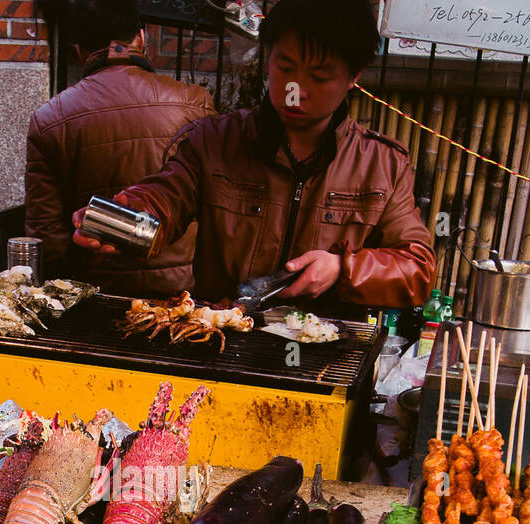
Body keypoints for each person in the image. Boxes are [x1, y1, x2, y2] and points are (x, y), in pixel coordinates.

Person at [73, 0, 436, 311]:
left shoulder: (383, 164)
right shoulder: (214, 140)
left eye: (320, 77)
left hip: (324, 356)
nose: (296, 90)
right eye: (286, 68)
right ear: (267, 60)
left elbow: (417, 268)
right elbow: (165, 196)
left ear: (353, 76)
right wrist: (128, 216)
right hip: (222, 339)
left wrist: (343, 268)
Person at [25, 0, 215, 295]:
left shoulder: (49, 119)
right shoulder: (196, 103)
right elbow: (213, 205)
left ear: (80, 50)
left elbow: (47, 238)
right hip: (182, 297)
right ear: (141, 38)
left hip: (96, 296)